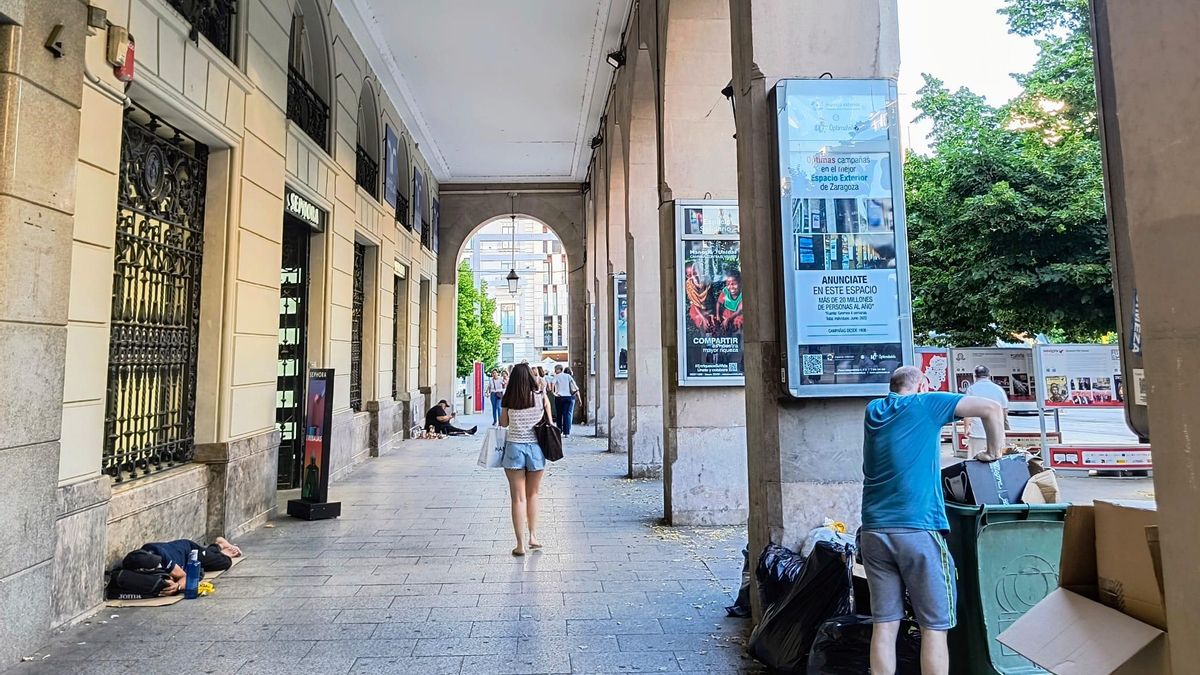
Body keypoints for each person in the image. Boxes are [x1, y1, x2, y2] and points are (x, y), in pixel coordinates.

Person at [861, 366, 1005, 675]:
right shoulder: (925, 403)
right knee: (934, 627)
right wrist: (994, 452)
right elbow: (991, 409)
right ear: (923, 384)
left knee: (884, 626)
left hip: (874, 530)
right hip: (917, 528)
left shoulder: (873, 410)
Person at [499, 363, 554, 556]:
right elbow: (547, 417)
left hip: (514, 447)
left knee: (517, 498)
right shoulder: (539, 396)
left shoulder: (509, 397)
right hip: (536, 448)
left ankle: (520, 545)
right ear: (530, 377)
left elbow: (503, 423)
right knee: (533, 495)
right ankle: (533, 536)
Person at [964, 365, 1010, 459]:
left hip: (978, 432)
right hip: (997, 432)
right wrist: (1004, 427)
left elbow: (967, 412)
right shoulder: (998, 389)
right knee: (996, 461)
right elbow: (1004, 411)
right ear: (989, 375)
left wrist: (966, 427)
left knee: (975, 462)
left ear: (975, 376)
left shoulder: (971, 389)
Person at [551, 365, 581, 435]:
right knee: (566, 415)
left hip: (559, 397)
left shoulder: (557, 376)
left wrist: (553, 392)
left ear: (559, 370)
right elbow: (575, 386)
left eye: (556, 369)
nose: (555, 371)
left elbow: (553, 383)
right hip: (568, 397)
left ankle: (559, 430)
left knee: (559, 414)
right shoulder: (568, 376)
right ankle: (566, 432)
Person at [715, 269, 744, 334]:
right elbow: (719, 303)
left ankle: (737, 336)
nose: (731, 287)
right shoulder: (725, 291)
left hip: (738, 314)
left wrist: (728, 319)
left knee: (739, 323)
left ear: (740, 283)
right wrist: (717, 315)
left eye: (734, 284)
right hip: (728, 312)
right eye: (728, 284)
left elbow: (738, 311)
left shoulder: (742, 293)